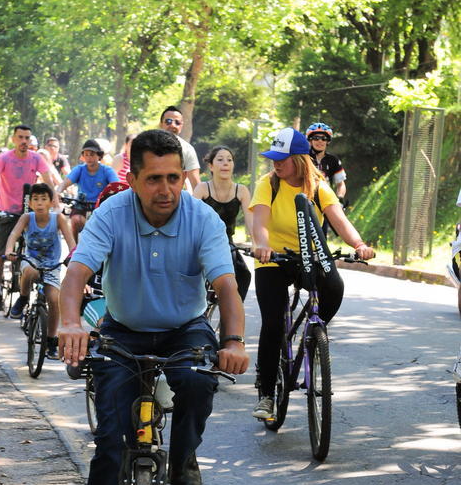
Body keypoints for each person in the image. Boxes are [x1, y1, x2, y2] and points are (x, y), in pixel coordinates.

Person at [59, 129, 249, 485]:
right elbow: (78, 273)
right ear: (135, 179)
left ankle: (183, 459)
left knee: (199, 381)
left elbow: (226, 287)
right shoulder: (111, 213)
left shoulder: (203, 218)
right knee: (108, 445)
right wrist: (69, 324)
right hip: (123, 330)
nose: (165, 190)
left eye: (173, 178)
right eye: (153, 180)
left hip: (185, 327)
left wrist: (236, 341)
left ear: (184, 176)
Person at [250, 127, 374, 421]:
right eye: (273, 159)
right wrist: (263, 246)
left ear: (300, 159)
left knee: (335, 286)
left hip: (310, 255)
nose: (276, 164)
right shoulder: (268, 184)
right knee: (272, 324)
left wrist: (358, 244)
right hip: (274, 259)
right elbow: (260, 223)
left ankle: (312, 334)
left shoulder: (318, 186)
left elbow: (339, 220)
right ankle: (267, 394)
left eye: (283, 159)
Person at [0, 125, 57, 311]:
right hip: (6, 211)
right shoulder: (4, 158)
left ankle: (30, 285)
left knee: (35, 250)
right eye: (21, 137)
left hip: (28, 212)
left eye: (27, 138)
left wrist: (54, 201)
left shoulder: (36, 158)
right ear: (14, 139)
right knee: (1, 253)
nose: (24, 141)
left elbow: (48, 181)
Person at [4, 184, 76, 359]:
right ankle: (23, 297)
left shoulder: (58, 218)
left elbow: (71, 241)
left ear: (51, 202)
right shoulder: (27, 218)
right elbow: (14, 234)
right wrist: (9, 250)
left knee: (54, 299)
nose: (40, 203)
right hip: (32, 260)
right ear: (30, 202)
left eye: (44, 199)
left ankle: (51, 340)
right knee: (29, 271)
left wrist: (74, 257)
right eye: (35, 199)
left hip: (52, 264)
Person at [193, 145, 253, 301]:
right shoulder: (202, 189)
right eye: (220, 160)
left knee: (243, 275)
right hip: (202, 242)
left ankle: (231, 316)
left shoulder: (241, 191)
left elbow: (251, 220)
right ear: (211, 166)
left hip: (227, 243)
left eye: (229, 160)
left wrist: (256, 243)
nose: (225, 163)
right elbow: (190, 219)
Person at [60, 139, 119, 242]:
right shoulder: (79, 169)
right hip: (81, 204)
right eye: (86, 154)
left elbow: (116, 186)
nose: (89, 158)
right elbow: (65, 183)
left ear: (99, 156)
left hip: (100, 206)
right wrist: (58, 192)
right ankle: (74, 248)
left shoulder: (107, 171)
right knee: (76, 220)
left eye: (92, 154)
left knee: (102, 227)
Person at [158, 106, 200, 189]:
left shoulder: (188, 149)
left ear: (181, 126)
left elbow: (195, 183)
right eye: (168, 121)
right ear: (161, 124)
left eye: (177, 122)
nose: (173, 125)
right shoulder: (148, 145)